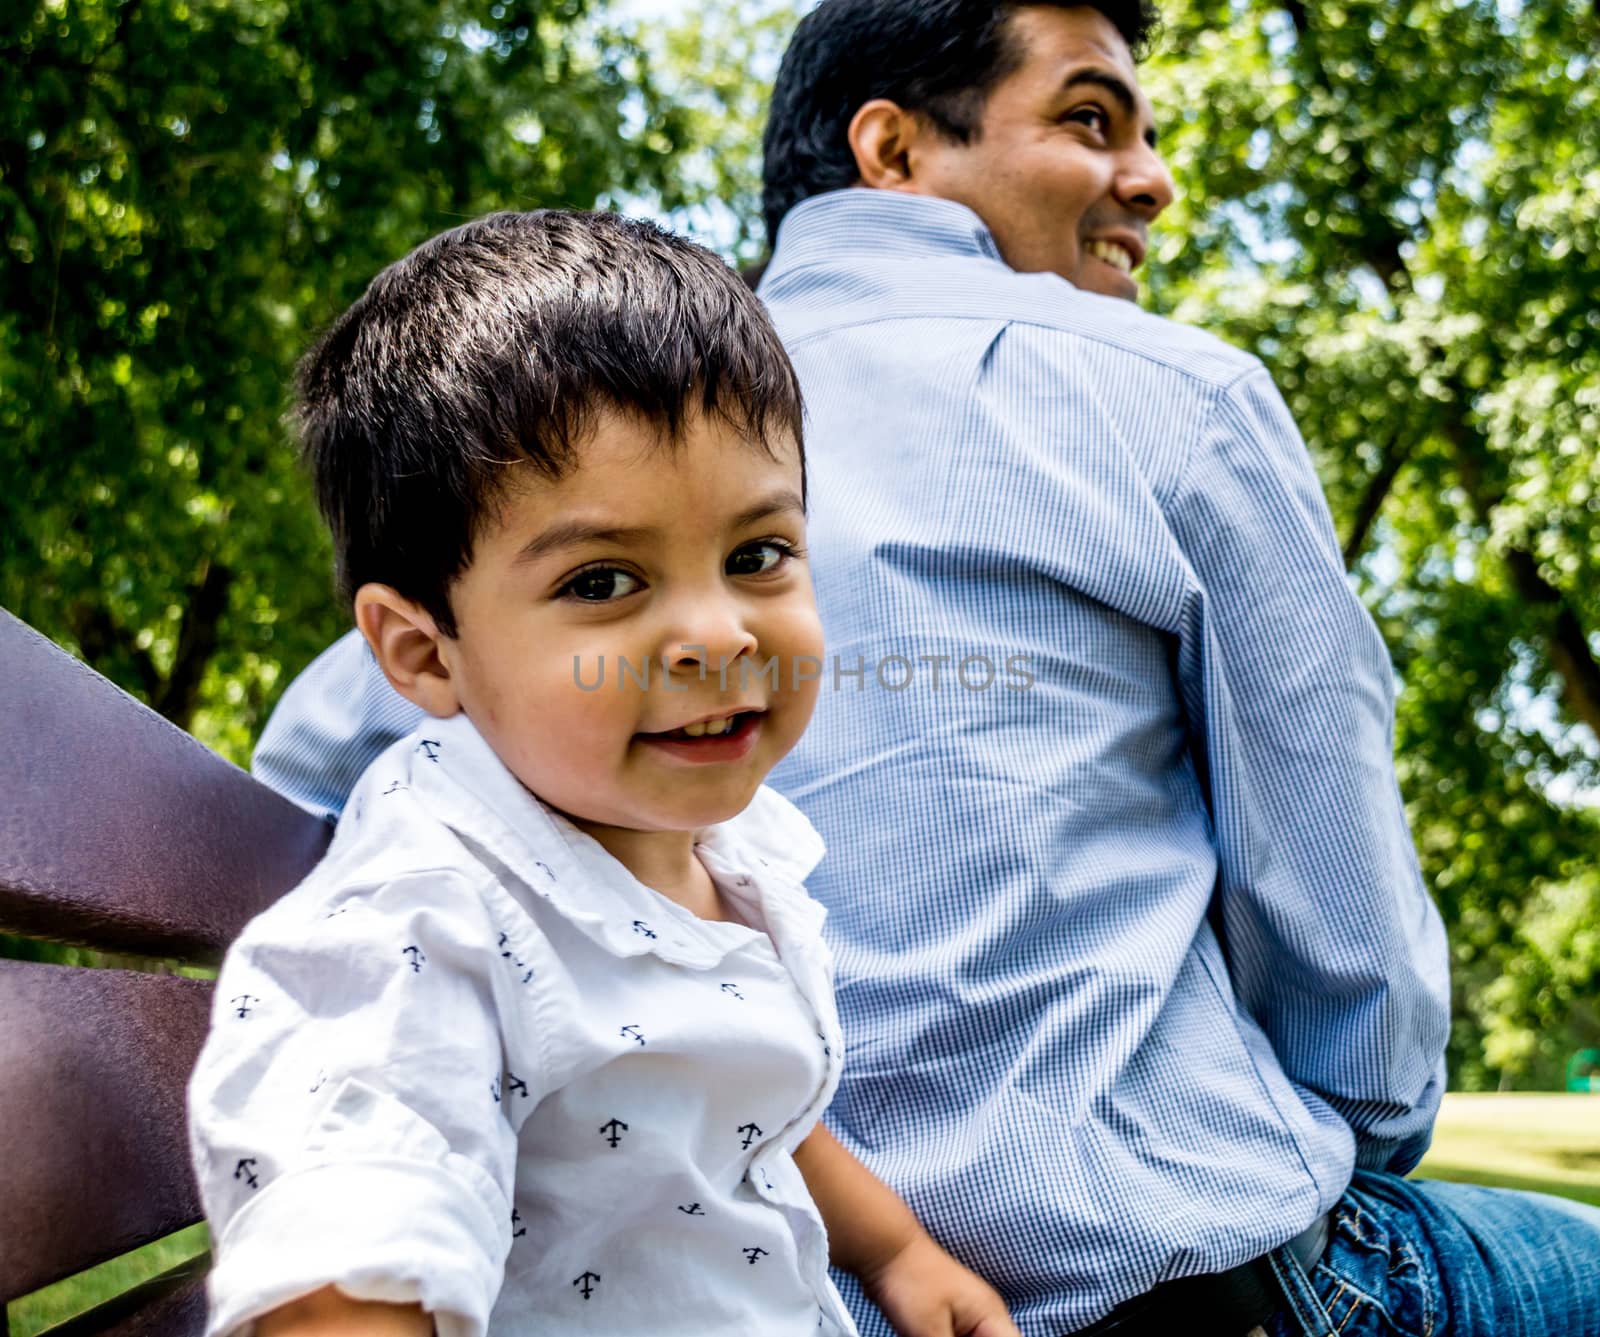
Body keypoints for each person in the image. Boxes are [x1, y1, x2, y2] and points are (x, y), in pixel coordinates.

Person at [250, 6, 1600, 1337]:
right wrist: (1340, 1138)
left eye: (770, 555)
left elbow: (303, 767)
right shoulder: (1171, 396)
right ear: (892, 147)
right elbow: (1352, 984)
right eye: (1090, 117)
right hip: (1184, 1282)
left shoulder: (568, 440)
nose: (1153, 177)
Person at [186, 209, 1021, 1337]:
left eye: (757, 555)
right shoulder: (427, 916)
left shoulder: (708, 851)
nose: (718, 633)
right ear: (425, 650)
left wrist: (899, 1249)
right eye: (602, 582)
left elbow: (736, 1097)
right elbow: (358, 1194)